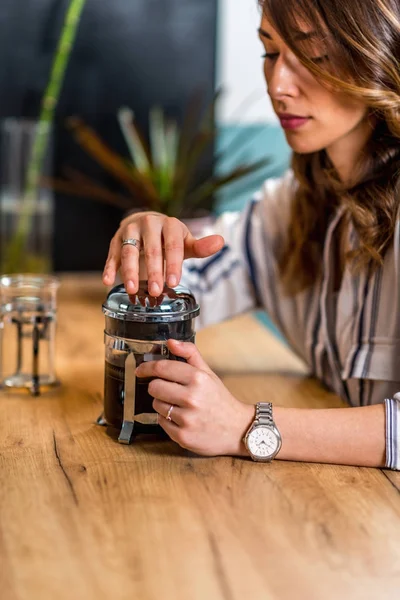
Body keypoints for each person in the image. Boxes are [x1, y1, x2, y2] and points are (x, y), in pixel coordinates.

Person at [102, 0, 400, 469]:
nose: (278, 86)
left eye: (316, 55)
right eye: (269, 53)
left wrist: (245, 426)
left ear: (380, 53)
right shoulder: (286, 208)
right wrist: (146, 246)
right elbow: (178, 296)